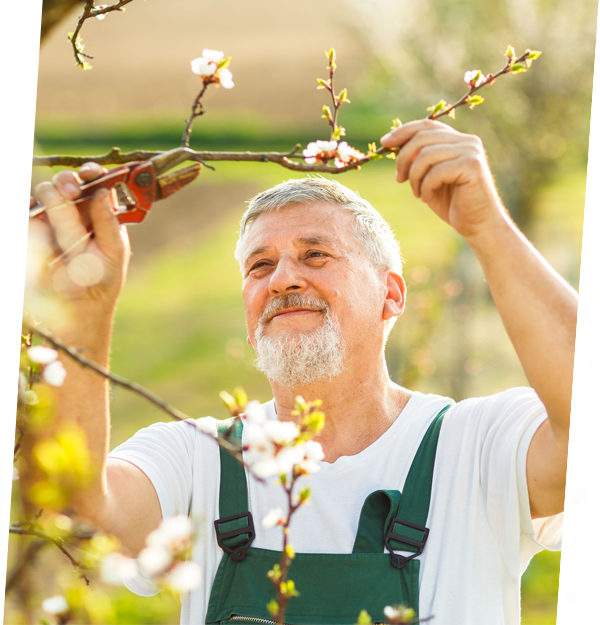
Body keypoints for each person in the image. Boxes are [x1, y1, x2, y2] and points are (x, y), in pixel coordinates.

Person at [27, 119, 595, 624]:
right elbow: (79, 512)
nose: (282, 279)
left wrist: (487, 227)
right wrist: (84, 307)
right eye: (261, 265)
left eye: (315, 254)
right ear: (248, 318)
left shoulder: (476, 448)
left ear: (391, 295)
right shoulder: (198, 458)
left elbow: (591, 431)